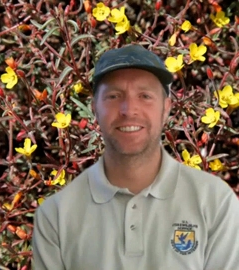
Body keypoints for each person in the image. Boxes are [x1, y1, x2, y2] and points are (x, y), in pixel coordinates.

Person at [32, 45, 239, 269]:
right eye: (114, 96)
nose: (129, 109)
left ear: (166, 107)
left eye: (145, 95)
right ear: (94, 109)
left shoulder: (216, 203)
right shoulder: (56, 215)